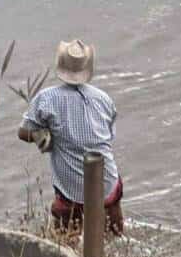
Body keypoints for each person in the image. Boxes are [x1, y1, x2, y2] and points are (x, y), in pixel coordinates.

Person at [18, 39, 124, 235]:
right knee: (114, 230)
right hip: (107, 183)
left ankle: (69, 243)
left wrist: (43, 135)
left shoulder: (46, 98)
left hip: (71, 194)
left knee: (66, 239)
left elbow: (22, 133)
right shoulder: (103, 98)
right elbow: (108, 137)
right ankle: (116, 235)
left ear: (61, 65)